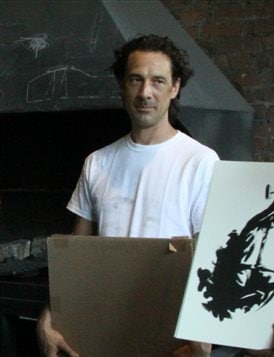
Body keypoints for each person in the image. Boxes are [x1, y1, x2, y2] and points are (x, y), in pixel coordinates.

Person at [36, 34, 219, 357]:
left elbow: (211, 260)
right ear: (123, 84)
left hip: (170, 338)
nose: (145, 92)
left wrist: (202, 336)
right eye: (136, 79)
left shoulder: (201, 162)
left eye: (158, 81)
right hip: (103, 332)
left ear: (175, 87)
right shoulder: (98, 162)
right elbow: (76, 257)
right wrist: (49, 318)